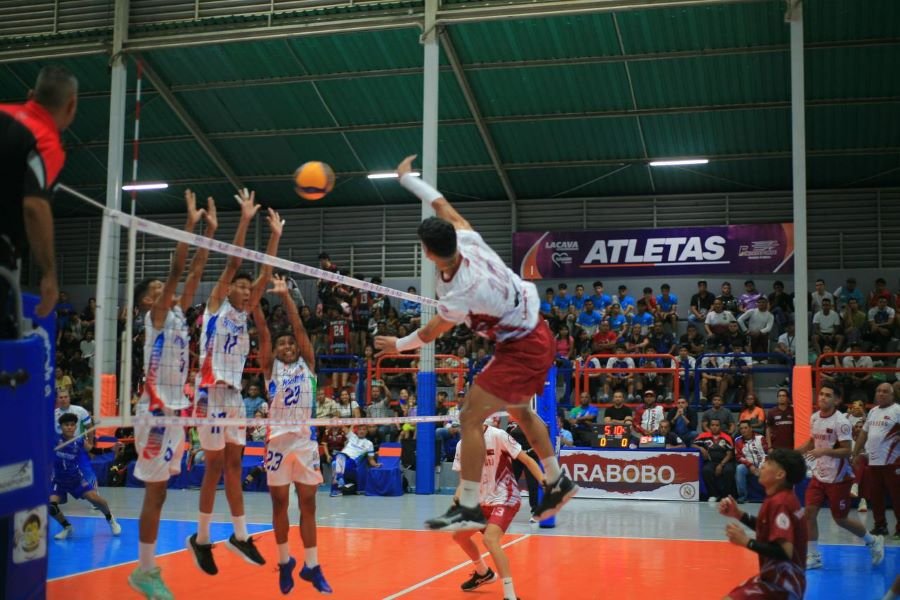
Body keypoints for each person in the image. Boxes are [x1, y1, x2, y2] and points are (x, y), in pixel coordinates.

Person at [375, 155, 577, 530]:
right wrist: (407, 180)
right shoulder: (468, 236)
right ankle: (556, 478)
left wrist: (396, 345)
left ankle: (468, 504)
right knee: (520, 411)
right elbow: (442, 205)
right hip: (537, 329)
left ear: (427, 253)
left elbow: (429, 334)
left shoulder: (458, 292)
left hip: (521, 345)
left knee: (469, 416)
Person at [187, 190, 282, 575]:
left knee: (234, 467)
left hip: (234, 399)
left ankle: (240, 535)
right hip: (210, 394)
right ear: (228, 289)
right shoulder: (216, 306)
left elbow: (264, 276)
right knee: (213, 467)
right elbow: (234, 262)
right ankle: (201, 537)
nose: (246, 291)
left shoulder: (244, 314)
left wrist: (275, 236)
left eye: (248, 288)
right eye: (240, 287)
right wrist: (244, 219)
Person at [128, 191, 215, 599]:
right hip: (156, 412)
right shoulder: (156, 315)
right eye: (159, 289)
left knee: (161, 492)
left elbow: (195, 269)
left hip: (176, 413)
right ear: (149, 300)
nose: (168, 290)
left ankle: (147, 569)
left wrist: (209, 232)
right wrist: (190, 225)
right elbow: (179, 269)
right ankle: (144, 571)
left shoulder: (178, 313)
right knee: (154, 491)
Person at [252, 274, 332, 594]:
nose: (287, 346)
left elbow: (298, 327)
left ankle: (312, 566)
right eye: (282, 344)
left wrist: (286, 296)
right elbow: (263, 333)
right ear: (275, 351)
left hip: (303, 441)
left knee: (309, 504)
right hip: (276, 443)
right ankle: (285, 562)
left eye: (291, 343)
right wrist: (256, 304)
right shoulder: (270, 368)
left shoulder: (307, 365)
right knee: (280, 505)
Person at [0, 65, 79, 332]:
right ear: (71, 105)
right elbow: (34, 206)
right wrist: (49, 274)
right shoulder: (46, 141)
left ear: (31, 94)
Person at [451, 419, 545, 600]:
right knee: (459, 536)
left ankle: (510, 595)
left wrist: (543, 480)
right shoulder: (462, 445)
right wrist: (457, 498)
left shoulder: (498, 436)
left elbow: (527, 460)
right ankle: (483, 572)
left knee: (490, 540)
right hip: (481, 501)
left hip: (505, 497)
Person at [796, 383, 883, 569]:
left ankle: (873, 541)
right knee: (809, 513)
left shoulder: (841, 422)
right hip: (819, 476)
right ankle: (813, 556)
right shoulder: (814, 418)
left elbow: (847, 450)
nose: (822, 397)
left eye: (828, 395)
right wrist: (793, 453)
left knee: (840, 519)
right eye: (821, 394)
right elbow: (812, 442)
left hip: (839, 478)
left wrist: (824, 451)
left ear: (837, 400)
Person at [717, 449, 808, 600]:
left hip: (782, 585)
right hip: (774, 579)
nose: (763, 466)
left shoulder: (781, 503)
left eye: (769, 463)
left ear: (780, 475)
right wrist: (738, 514)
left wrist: (746, 541)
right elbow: (767, 529)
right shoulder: (781, 498)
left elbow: (785, 551)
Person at [50, 413, 121, 540]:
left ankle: (111, 519)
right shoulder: (54, 440)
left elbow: (94, 451)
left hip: (75, 479)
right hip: (58, 480)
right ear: (61, 427)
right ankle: (67, 527)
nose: (69, 427)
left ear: (75, 427)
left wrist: (111, 448)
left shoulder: (79, 441)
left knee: (97, 500)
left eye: (72, 425)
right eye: (66, 425)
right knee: (51, 506)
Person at [851, 382, 900, 539]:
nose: (881, 393)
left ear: (892, 395)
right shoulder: (872, 411)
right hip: (874, 462)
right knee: (876, 497)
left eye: (885, 391)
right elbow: (864, 434)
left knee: (897, 497)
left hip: (893, 463)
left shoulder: (897, 410)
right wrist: (855, 452)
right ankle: (880, 526)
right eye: (878, 391)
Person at [694, 418, 736, 503]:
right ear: (709, 426)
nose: (714, 427)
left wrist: (721, 465)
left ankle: (725, 495)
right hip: (711, 461)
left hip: (725, 461)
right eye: (712, 425)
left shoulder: (727, 437)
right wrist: (701, 448)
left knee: (729, 471)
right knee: (706, 470)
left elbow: (729, 454)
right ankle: (713, 494)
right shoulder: (703, 436)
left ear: (720, 427)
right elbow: (692, 444)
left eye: (717, 425)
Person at [330, 425, 380, 496]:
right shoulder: (352, 436)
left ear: (367, 431)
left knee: (336, 462)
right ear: (357, 431)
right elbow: (343, 426)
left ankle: (337, 486)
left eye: (364, 429)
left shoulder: (369, 443)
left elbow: (371, 459)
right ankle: (338, 488)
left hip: (352, 461)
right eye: (360, 429)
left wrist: (375, 464)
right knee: (335, 462)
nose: (361, 431)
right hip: (342, 457)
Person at [734, 420, 768, 504]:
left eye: (745, 428)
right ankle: (742, 496)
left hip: (763, 464)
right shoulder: (737, 440)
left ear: (751, 428)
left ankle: (769, 496)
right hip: (748, 466)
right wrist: (750, 466)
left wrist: (761, 467)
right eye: (741, 428)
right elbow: (739, 457)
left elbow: (766, 454)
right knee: (739, 468)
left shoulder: (760, 438)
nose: (743, 430)